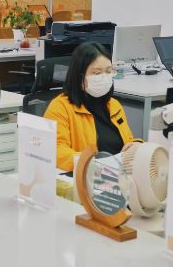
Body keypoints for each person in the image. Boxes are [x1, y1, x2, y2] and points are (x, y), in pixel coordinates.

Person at [43, 42, 143, 171]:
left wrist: (137, 145)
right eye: (97, 73)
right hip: (86, 175)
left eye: (108, 71)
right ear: (79, 76)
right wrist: (92, 163)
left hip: (120, 173)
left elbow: (127, 140)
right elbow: (56, 150)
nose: (104, 77)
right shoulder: (60, 107)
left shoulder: (114, 105)